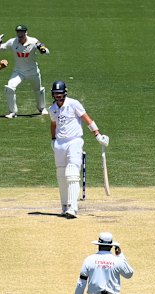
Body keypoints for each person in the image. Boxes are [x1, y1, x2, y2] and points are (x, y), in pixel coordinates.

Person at [48, 80, 109, 218]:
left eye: (60, 94)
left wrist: (97, 134)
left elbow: (87, 118)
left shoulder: (74, 103)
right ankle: (64, 206)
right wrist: (53, 140)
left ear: (65, 93)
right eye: (56, 94)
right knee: (61, 174)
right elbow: (53, 124)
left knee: (72, 173)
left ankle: (72, 207)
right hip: (59, 143)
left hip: (74, 141)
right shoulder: (52, 109)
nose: (58, 96)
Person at [0, 24, 50, 118]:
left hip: (32, 71)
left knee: (38, 90)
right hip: (18, 72)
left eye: (22, 32)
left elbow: (45, 50)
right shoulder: (12, 42)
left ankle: (42, 108)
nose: (20, 34)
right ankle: (12, 112)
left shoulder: (33, 41)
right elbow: (1, 47)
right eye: (18, 32)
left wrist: (43, 50)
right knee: (10, 88)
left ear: (26, 32)